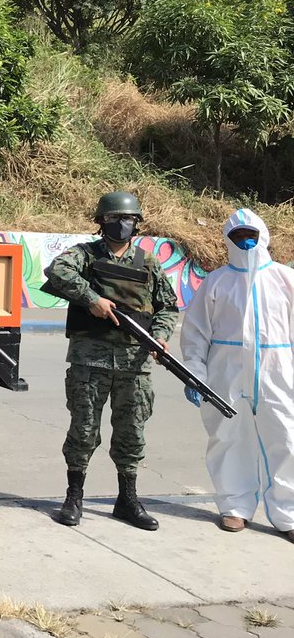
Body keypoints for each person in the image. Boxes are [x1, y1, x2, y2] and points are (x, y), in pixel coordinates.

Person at [42, 190, 178, 531]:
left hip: (135, 364)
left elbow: (167, 306)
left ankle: (127, 500)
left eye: (129, 219)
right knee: (83, 431)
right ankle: (74, 496)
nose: (122, 224)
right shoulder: (85, 256)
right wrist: (91, 300)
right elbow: (55, 271)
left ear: (137, 224)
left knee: (131, 433)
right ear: (101, 221)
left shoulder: (147, 262)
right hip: (90, 362)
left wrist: (160, 336)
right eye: (115, 218)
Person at [180, 209, 294, 542]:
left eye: (251, 234)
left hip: (278, 372)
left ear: (264, 235)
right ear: (227, 239)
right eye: (238, 235)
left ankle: (288, 513)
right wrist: (195, 374)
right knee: (228, 439)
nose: (245, 241)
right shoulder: (217, 281)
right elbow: (196, 333)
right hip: (226, 374)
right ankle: (234, 507)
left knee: (287, 438)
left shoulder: (285, 279)